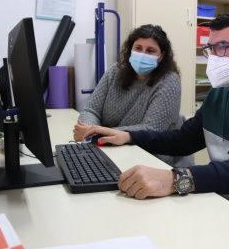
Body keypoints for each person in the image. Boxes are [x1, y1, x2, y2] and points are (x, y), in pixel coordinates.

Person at [82, 11, 229, 243]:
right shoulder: (221, 92)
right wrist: (128, 136)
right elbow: (183, 140)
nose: (213, 57)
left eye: (223, 48)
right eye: (210, 48)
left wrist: (175, 178)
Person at [74, 24, 194, 167]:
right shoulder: (116, 71)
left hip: (150, 157)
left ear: (161, 56)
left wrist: (98, 135)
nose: (143, 54)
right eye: (138, 48)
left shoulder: (169, 81)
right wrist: (91, 131)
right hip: (110, 149)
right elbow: (91, 110)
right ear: (130, 49)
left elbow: (151, 129)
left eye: (150, 51)